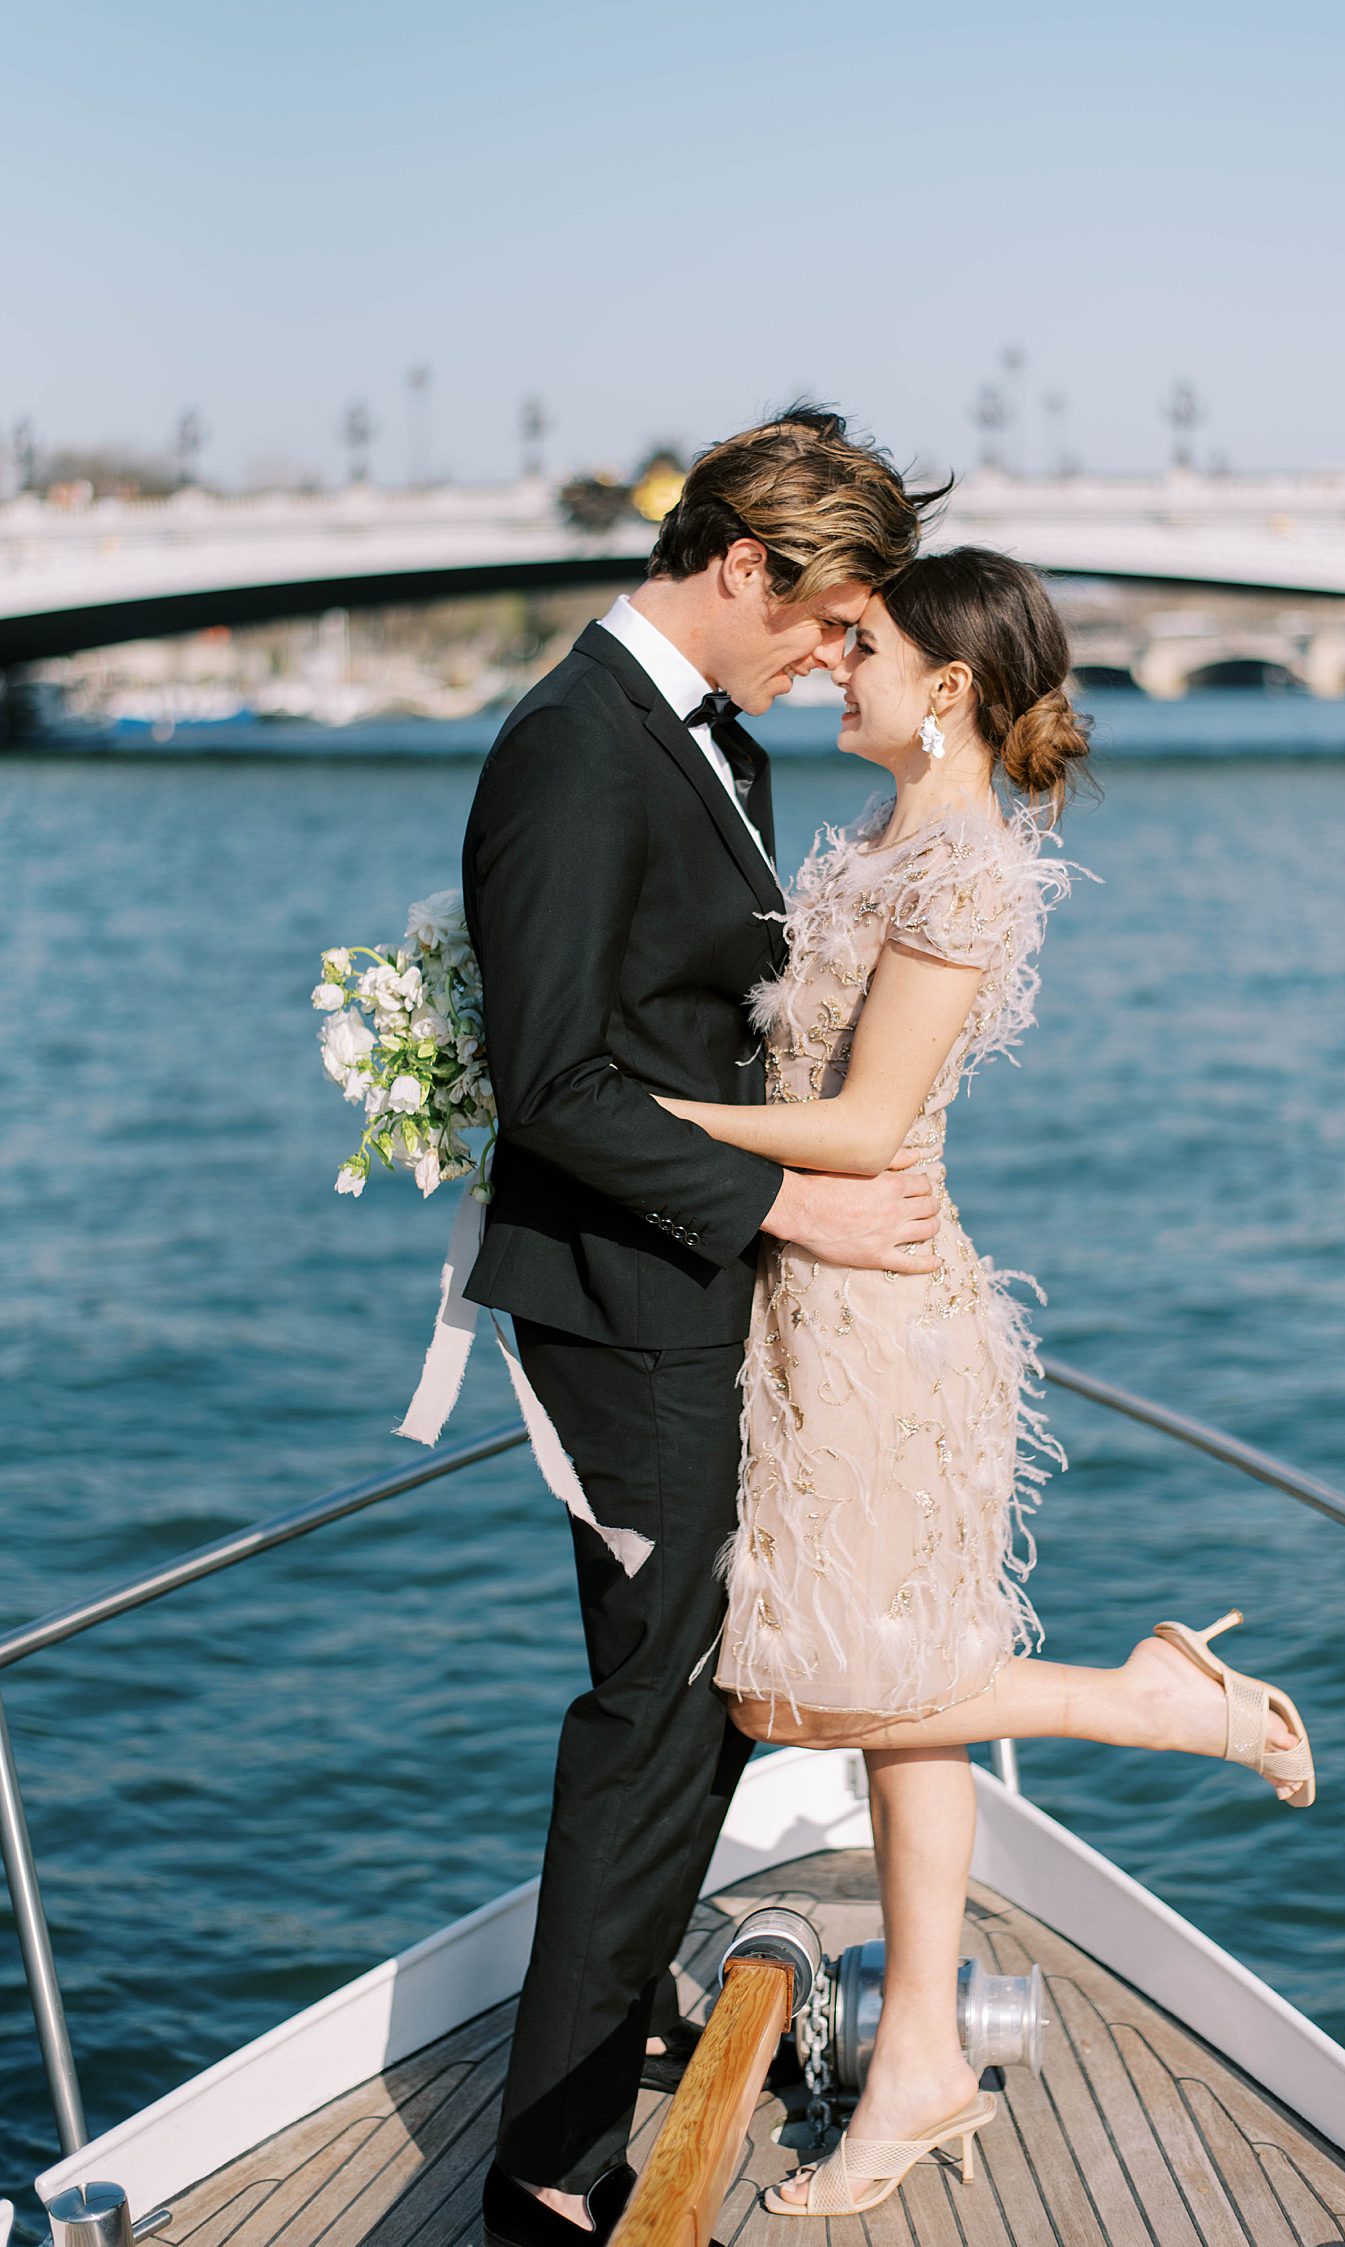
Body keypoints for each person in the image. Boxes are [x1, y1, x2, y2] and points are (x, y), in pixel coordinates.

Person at [656, 545, 1317, 2220]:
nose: (829, 660)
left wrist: (626, 1128)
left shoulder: (966, 870)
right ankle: (924, 2067)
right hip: (807, 1294)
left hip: (881, 1315)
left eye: (860, 641)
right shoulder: (873, 839)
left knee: (801, 1692)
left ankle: (1155, 1704)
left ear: (947, 682)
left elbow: (873, 1128)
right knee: (898, 1702)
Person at [461, 407, 946, 2245]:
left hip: (690, 1300)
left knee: (704, 1702)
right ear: (745, 564)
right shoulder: (575, 753)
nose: (836, 655)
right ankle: (552, 2170)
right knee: (650, 1716)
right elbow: (555, 1085)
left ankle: (628, 2012)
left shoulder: (699, 743)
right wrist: (794, 1201)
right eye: (827, 620)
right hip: (623, 1317)